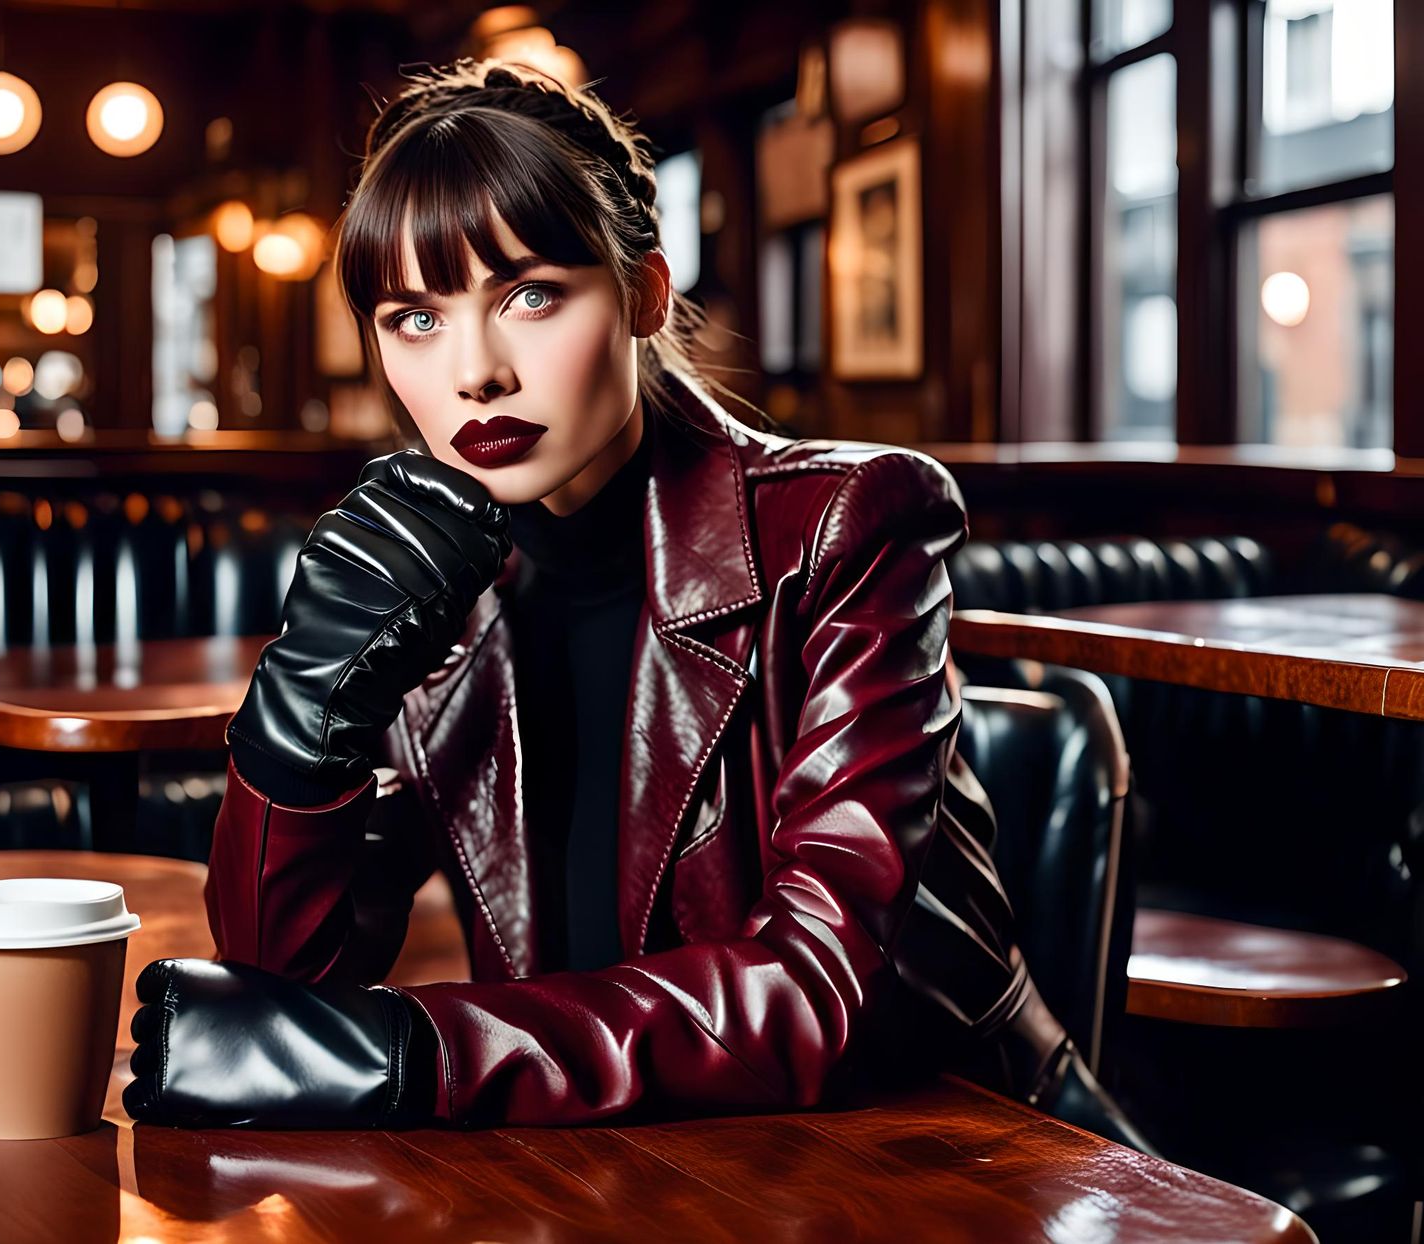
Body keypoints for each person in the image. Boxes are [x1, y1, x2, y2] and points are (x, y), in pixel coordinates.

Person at [123, 57, 1147, 1143]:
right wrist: (300, 699)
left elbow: (816, 993)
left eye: (529, 295)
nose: (474, 370)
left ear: (644, 294)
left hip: (955, 1160)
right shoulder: (435, 573)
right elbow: (283, 985)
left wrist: (411, 1050)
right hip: (631, 1163)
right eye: (413, 317)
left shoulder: (846, 525)